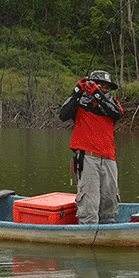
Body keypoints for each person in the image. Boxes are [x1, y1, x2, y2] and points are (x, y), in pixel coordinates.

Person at [58, 70, 123, 224]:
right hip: (87, 158)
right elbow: (63, 115)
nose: (103, 89)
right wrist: (76, 92)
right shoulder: (80, 104)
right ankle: (87, 235)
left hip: (109, 159)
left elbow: (116, 114)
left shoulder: (113, 104)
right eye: (99, 85)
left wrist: (97, 94)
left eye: (106, 87)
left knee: (110, 202)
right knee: (89, 205)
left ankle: (107, 235)